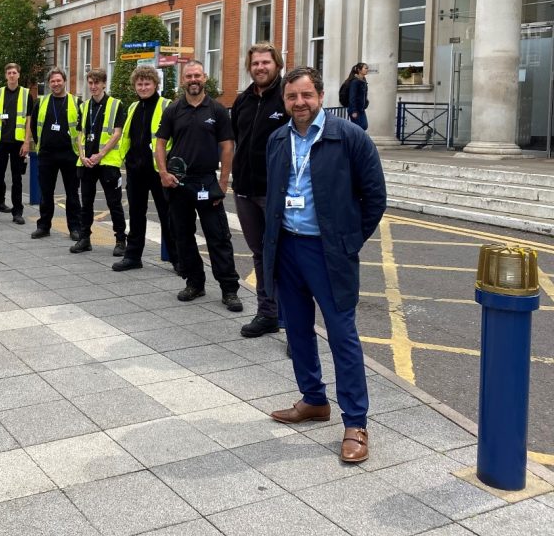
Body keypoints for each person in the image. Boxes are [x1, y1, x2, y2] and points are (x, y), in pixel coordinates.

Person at [264, 67, 386, 464]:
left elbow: (374, 197)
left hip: (328, 253)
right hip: (288, 249)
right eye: (292, 97)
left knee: (341, 336)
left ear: (319, 96)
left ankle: (356, 422)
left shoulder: (349, 136)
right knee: (297, 331)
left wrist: (348, 242)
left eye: (306, 96)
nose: (299, 103)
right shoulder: (278, 139)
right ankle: (313, 399)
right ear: (285, 101)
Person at [155, 60, 242, 308]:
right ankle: (195, 283)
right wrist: (163, 172)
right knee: (183, 236)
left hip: (206, 181)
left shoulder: (216, 110)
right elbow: (160, 143)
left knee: (218, 237)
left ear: (205, 78)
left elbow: (227, 146)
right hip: (178, 183)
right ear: (183, 80)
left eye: (197, 76)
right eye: (189, 76)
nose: (193, 80)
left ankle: (229, 289)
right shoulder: (173, 110)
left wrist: (223, 182)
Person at [231, 43, 289, 337]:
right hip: (244, 190)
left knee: (286, 257)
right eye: (255, 64)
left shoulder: (286, 98)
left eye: (266, 63)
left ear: (276, 65)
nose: (260, 68)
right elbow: (234, 142)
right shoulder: (242, 100)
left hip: (277, 193)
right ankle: (267, 313)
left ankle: (295, 327)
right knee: (259, 254)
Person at [113, 65, 177, 272]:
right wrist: (126, 159)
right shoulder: (133, 108)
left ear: (155, 84)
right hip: (135, 170)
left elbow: (174, 140)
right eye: (139, 84)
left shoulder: (168, 106)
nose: (143, 87)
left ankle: (178, 260)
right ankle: (133, 257)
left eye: (147, 83)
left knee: (167, 215)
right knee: (136, 213)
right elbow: (128, 138)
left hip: (159, 171)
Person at [71, 68, 126, 256]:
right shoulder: (84, 106)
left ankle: (120, 241)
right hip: (87, 162)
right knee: (86, 202)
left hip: (107, 162)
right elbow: (80, 134)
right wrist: (82, 155)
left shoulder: (116, 105)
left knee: (114, 203)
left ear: (104, 84)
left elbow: (117, 133)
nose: (93, 86)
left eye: (97, 83)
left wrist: (100, 154)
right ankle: (84, 238)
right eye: (91, 83)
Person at [0, 63, 33, 225]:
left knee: (17, 179)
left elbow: (29, 119)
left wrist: (26, 142)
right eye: (9, 72)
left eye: (14, 72)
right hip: (0, 142)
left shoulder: (26, 94)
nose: (11, 75)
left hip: (17, 143)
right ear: (5, 75)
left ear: (18, 75)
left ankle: (17, 212)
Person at [31, 67, 83, 241]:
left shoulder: (76, 103)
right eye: (52, 81)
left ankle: (75, 228)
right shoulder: (42, 102)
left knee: (72, 194)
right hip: (47, 154)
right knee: (46, 193)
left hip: (70, 154)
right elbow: (34, 127)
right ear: (49, 84)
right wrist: (40, 144)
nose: (55, 84)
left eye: (58, 80)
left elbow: (82, 128)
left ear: (64, 81)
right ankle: (43, 226)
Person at [345, 62, 370, 130]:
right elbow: (352, 97)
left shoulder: (363, 81)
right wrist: (353, 111)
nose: (367, 69)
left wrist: (366, 102)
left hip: (361, 109)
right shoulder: (355, 82)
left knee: (364, 126)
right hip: (355, 109)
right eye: (365, 68)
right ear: (359, 70)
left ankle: (353, 139)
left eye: (367, 68)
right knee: (359, 128)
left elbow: (364, 95)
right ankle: (350, 138)